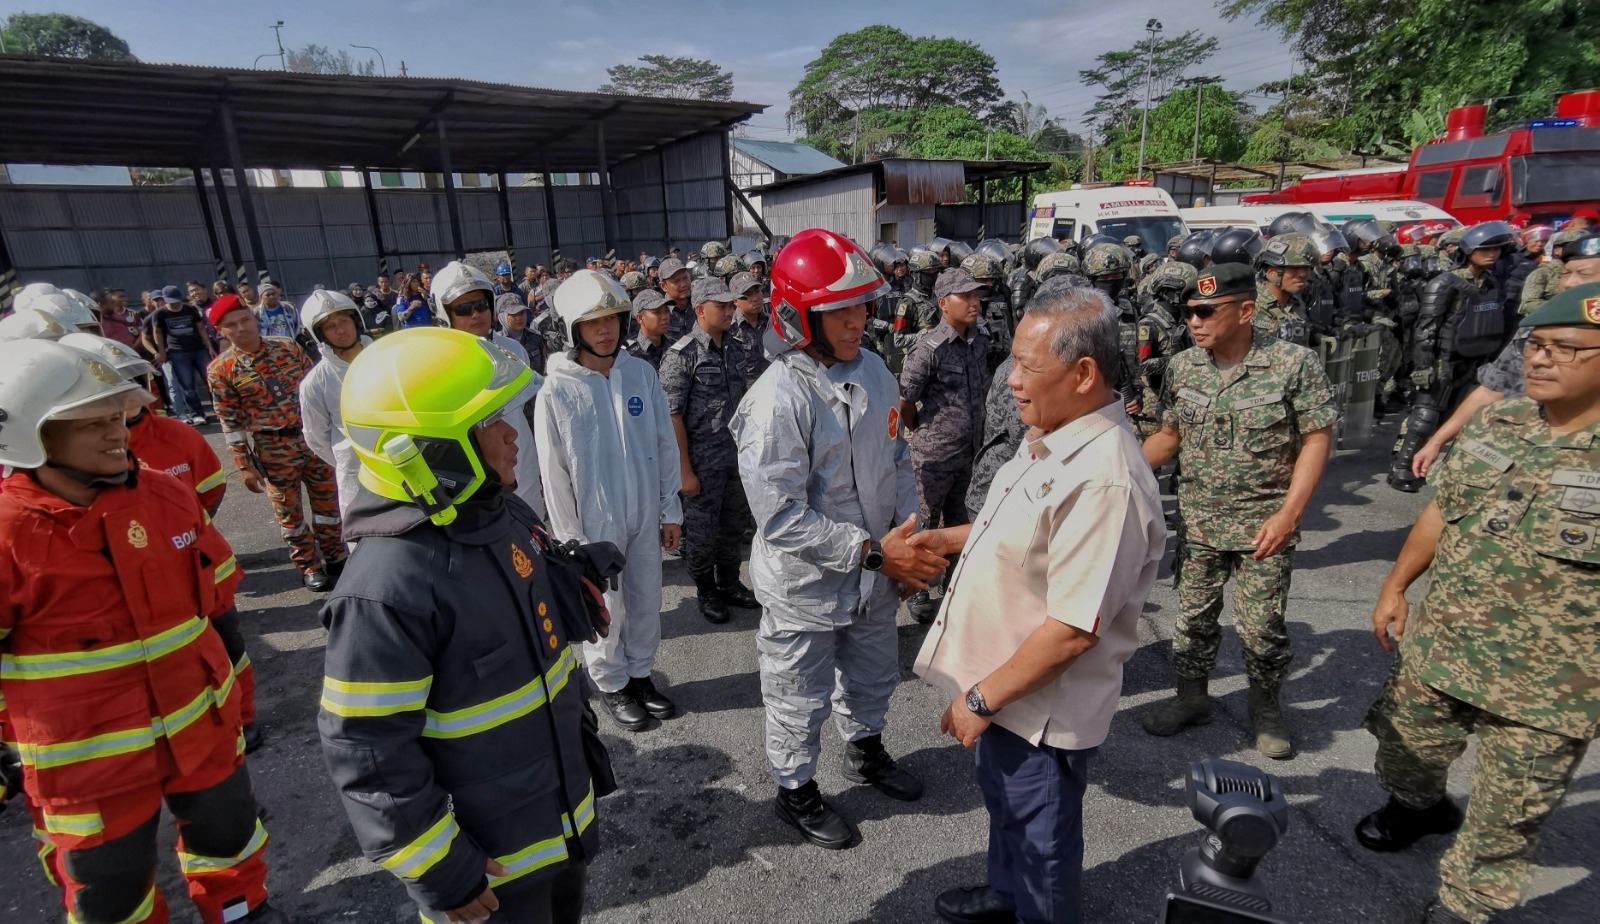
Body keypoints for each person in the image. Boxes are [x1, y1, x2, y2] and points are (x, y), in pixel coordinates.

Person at [321, 327, 602, 924]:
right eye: (487, 423)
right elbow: (367, 751)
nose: (511, 434)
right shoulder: (384, 590)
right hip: (487, 869)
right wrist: (438, 868)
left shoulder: (501, 512)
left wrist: (571, 583)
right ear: (429, 451)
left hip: (557, 825)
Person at [0, 339, 286, 924]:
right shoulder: (8, 534)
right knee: (110, 888)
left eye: (117, 417)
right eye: (92, 424)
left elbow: (216, 601)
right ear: (31, 437)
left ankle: (240, 913)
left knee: (228, 840)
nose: (118, 434)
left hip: (199, 723)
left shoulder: (163, 494)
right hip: (87, 765)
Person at [913, 287, 1166, 924]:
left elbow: (1074, 629)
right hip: (1012, 691)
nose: (1014, 382)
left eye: (1029, 367)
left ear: (1084, 374)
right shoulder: (1055, 437)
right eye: (1012, 363)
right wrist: (952, 537)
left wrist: (979, 699)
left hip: (1040, 712)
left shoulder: (1103, 479)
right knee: (1009, 811)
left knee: (1041, 844)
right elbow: (1027, 532)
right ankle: (1005, 897)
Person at [1358, 282, 1600, 924]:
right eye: (1537, 346)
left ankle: (1467, 905)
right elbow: (1444, 509)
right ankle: (1419, 809)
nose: (1539, 360)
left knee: (1510, 810)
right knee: (1405, 748)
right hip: (1445, 645)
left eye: (1565, 350)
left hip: (1552, 684)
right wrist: (1396, 585)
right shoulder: (1501, 421)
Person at [730, 228, 946, 851]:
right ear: (799, 316)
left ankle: (867, 750)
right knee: (798, 691)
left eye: (862, 304)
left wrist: (908, 536)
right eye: (839, 308)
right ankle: (795, 790)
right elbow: (780, 518)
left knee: (875, 673)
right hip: (808, 582)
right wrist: (877, 552)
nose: (857, 319)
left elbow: (898, 458)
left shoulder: (876, 371)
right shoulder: (778, 400)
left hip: (877, 568)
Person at [1140, 263, 1337, 759]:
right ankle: (1192, 698)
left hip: (1263, 525)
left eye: (1207, 311)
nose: (1195, 322)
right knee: (1193, 617)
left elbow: (1316, 440)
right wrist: (1116, 473)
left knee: (1262, 627)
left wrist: (1290, 513)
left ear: (1246, 311)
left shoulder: (1294, 364)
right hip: (1200, 520)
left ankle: (1266, 709)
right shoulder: (1184, 367)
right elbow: (1168, 435)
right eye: (1189, 312)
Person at [535, 270, 684, 732]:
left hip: (643, 513)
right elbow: (554, 474)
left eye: (612, 319)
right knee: (607, 608)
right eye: (592, 322)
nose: (605, 330)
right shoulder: (557, 390)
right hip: (593, 525)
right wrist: (572, 541)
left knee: (644, 599)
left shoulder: (639, 374)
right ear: (571, 329)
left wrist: (669, 508)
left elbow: (664, 445)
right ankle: (611, 682)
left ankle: (640, 675)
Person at [207, 295, 346, 591]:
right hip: (273, 448)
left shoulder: (288, 347)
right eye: (232, 325)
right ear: (221, 331)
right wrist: (244, 465)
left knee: (328, 504)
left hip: (312, 438)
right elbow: (230, 423)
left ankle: (335, 556)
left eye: (245, 319)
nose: (242, 328)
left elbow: (318, 390)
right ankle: (309, 565)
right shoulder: (222, 370)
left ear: (254, 318)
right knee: (289, 513)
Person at [1389, 221, 1518, 492]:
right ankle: (1403, 469)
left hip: (1476, 360)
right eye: (1486, 248)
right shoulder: (1446, 282)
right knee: (1425, 417)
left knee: (1458, 417)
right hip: (1443, 359)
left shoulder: (1492, 282)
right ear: (1469, 250)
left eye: (1496, 248)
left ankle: (1429, 466)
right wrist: (1424, 365)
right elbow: (1426, 328)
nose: (1492, 254)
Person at [659, 277, 758, 624]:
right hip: (700, 463)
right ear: (701, 310)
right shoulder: (681, 355)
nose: (730, 311)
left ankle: (729, 583)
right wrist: (683, 470)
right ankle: (706, 590)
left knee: (733, 526)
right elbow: (672, 417)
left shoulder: (736, 346)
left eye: (732, 305)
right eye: (723, 306)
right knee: (702, 533)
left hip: (734, 458)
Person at [898, 268, 989, 624]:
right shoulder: (928, 349)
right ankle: (918, 590)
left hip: (970, 452)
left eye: (975, 295)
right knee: (922, 523)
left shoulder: (980, 340)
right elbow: (906, 401)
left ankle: (955, 585)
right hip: (933, 454)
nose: (974, 302)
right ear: (942, 303)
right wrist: (920, 433)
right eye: (964, 296)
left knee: (962, 520)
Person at [433, 263, 547, 520]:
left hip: (521, 457)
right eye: (463, 309)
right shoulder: (437, 364)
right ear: (444, 313)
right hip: (475, 470)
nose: (475, 314)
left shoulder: (513, 350)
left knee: (531, 532)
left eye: (481, 305)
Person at [297, 291, 371, 518]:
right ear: (318, 334)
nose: (340, 330)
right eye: (330, 327)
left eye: (344, 321)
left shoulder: (387, 356)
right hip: (356, 477)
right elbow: (316, 438)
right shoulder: (315, 383)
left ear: (356, 320)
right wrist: (348, 457)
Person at [147, 285, 218, 426]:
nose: (174, 304)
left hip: (199, 349)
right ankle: (197, 414)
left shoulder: (190, 309)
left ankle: (219, 409)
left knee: (212, 380)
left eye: (176, 300)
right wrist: (161, 352)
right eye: (171, 301)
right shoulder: (160, 313)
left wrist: (209, 347)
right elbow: (157, 333)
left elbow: (200, 328)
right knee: (188, 386)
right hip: (177, 352)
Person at [1252, 232, 1319, 347]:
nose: (1303, 274)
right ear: (1271, 272)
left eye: (1307, 267)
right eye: (1294, 268)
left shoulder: (1297, 304)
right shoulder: (1250, 305)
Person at [888, 250, 942, 374]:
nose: (932, 275)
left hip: (941, 361)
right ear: (916, 274)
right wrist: (925, 334)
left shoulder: (939, 297)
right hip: (918, 364)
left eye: (935, 271)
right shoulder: (907, 303)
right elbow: (899, 340)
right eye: (928, 272)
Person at [728, 271, 771, 381]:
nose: (755, 298)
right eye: (747, 295)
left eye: (757, 292)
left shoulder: (773, 323)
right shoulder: (729, 330)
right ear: (736, 301)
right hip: (746, 394)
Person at [624, 289, 673, 371]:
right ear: (640, 318)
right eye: (657, 312)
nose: (665, 317)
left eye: (666, 311)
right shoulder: (626, 353)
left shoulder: (675, 347)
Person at [499, 292, 547, 375]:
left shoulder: (536, 337)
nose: (519, 318)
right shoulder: (496, 343)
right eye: (513, 314)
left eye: (521, 313)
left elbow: (543, 369)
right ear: (503, 317)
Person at [657, 257, 695, 340]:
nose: (684, 284)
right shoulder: (658, 314)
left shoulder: (699, 306)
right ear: (663, 286)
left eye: (685, 278)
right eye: (676, 281)